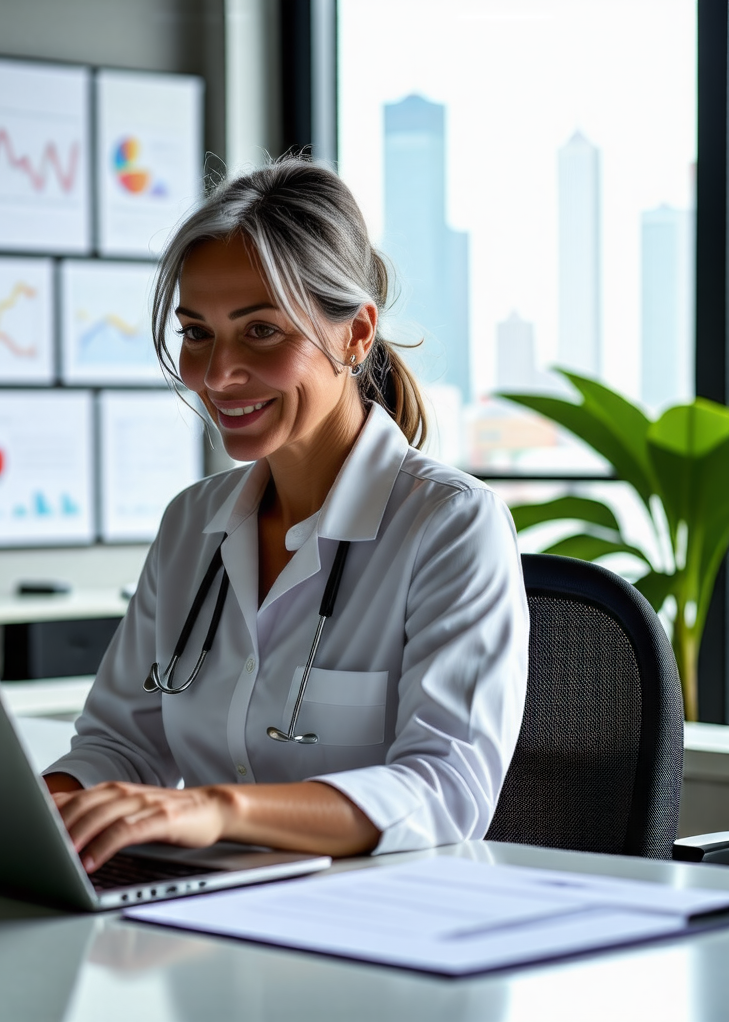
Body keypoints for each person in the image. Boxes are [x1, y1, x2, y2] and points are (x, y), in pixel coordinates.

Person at [44, 158, 529, 875]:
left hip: (374, 940)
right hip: (201, 924)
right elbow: (122, 745)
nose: (217, 374)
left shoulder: (451, 525)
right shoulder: (191, 526)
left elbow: (445, 787)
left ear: (356, 335)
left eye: (262, 331)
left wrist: (216, 811)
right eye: (197, 333)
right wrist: (37, 807)